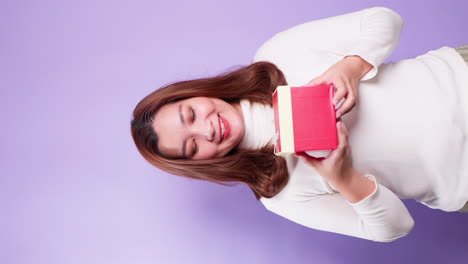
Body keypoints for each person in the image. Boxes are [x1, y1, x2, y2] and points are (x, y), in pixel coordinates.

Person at [130, 6, 468, 242]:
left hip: (458, 76)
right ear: (200, 164)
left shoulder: (277, 55)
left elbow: (385, 20)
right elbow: (395, 228)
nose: (207, 130)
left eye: (190, 114)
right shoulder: (281, 195)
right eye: (193, 146)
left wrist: (351, 66)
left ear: (195, 93)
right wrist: (344, 178)